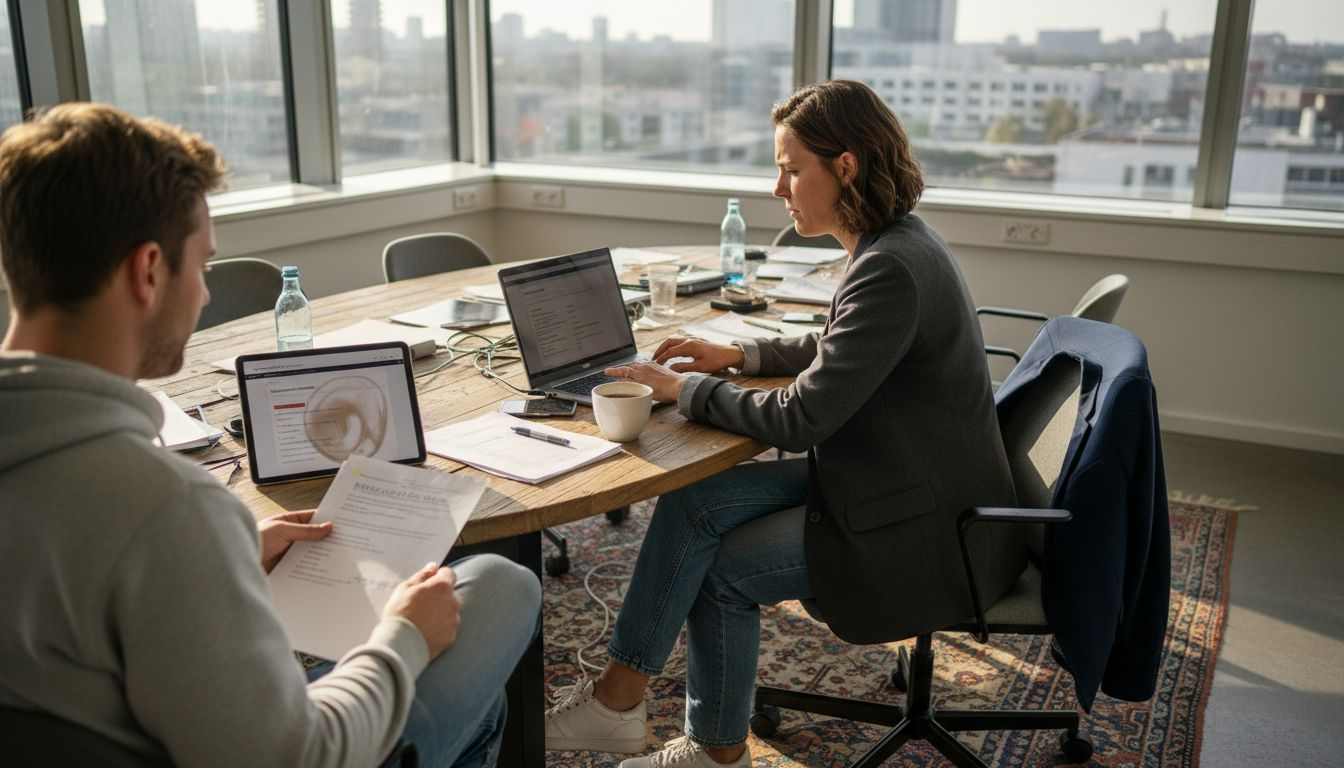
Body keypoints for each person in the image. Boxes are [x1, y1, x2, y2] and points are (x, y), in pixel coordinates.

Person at [0, 103, 541, 768]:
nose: (204, 296)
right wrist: (403, 637)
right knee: (499, 586)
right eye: (202, 267)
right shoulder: (168, 510)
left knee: (482, 709)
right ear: (148, 271)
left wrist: (223, 557)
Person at [543, 80, 1023, 768]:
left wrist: (688, 388)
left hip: (923, 525)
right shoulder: (898, 243)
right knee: (694, 500)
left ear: (846, 167)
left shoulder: (890, 266)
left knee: (721, 572)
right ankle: (617, 701)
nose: (778, 189)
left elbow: (801, 418)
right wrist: (742, 354)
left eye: (792, 170)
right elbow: (842, 345)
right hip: (899, 477)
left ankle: (713, 754)